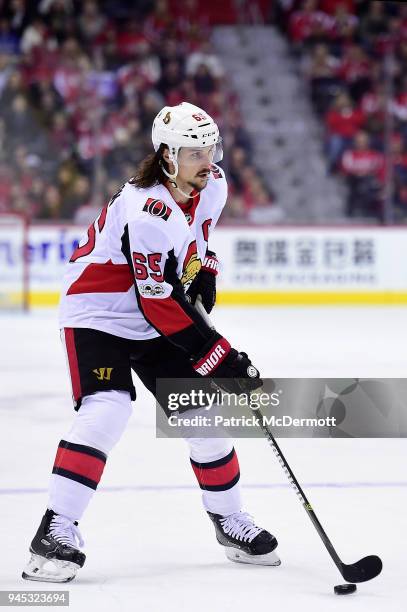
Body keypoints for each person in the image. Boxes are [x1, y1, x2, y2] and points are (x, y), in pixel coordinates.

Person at [22, 102, 280, 583]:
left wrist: (206, 269)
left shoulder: (213, 184)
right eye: (193, 152)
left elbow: (198, 239)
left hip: (149, 316)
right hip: (98, 314)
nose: (207, 160)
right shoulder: (147, 209)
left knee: (201, 412)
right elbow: (158, 301)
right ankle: (54, 530)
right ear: (166, 155)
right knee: (108, 407)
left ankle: (228, 519)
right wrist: (219, 357)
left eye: (211, 148)